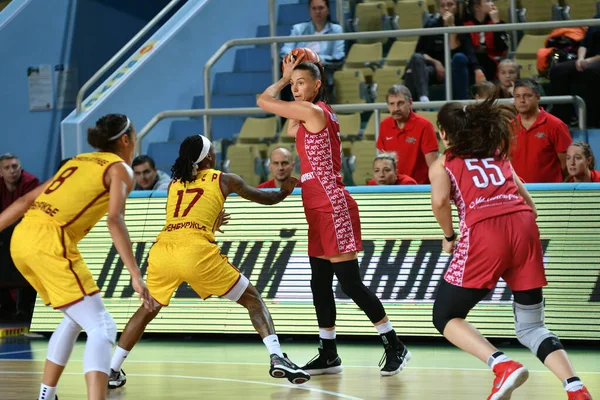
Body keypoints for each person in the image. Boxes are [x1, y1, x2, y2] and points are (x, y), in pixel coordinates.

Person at [108, 135, 310, 389]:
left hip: (163, 252)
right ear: (209, 157)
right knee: (252, 299)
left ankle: (112, 369)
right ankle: (277, 357)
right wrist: (284, 192)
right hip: (195, 252)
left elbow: (183, 220)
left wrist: (211, 224)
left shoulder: (174, 183)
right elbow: (266, 198)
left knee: (147, 310)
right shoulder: (225, 179)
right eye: (212, 149)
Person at [428, 95, 592, 400]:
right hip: (525, 226)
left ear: (444, 132)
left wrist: (449, 237)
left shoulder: (443, 163)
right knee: (531, 327)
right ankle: (575, 387)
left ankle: (501, 364)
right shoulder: (497, 153)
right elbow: (528, 201)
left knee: (445, 315)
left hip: (486, 232)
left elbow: (439, 202)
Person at [257, 57, 410, 377]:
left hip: (331, 205)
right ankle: (328, 353)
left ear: (317, 85)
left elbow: (263, 101)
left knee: (350, 283)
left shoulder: (314, 111)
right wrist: (293, 82)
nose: (296, 88)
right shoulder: (307, 113)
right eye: (294, 83)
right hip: (314, 207)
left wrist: (283, 80)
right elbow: (289, 126)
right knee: (319, 283)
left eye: (302, 83)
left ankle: (395, 344)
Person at [0, 114, 153, 400]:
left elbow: (24, 201)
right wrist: (134, 273)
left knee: (74, 318)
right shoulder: (120, 169)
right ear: (125, 140)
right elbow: (115, 220)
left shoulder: (76, 161)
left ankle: (47, 396)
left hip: (22, 239)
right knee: (102, 325)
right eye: (134, 136)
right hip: (50, 240)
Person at [403, 0, 486, 101]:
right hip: (435, 69)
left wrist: (451, 26)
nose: (446, 8)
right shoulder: (431, 25)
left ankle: (457, 104)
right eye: (442, 6)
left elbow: (458, 51)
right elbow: (419, 52)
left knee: (459, 57)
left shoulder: (462, 26)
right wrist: (436, 63)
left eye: (450, 5)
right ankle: (423, 100)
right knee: (413, 67)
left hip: (455, 69)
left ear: (456, 7)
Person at [0, 153, 40, 321]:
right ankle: (6, 306)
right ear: (1, 172)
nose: (12, 171)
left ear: (20, 168)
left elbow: (31, 212)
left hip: (27, 233)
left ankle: (26, 306)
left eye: (15, 166)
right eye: (7, 168)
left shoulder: (31, 183)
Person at [511, 79, 572, 183]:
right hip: (516, 192)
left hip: (549, 192)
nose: (522, 100)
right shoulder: (508, 127)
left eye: (527, 95)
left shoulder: (556, 125)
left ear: (538, 97)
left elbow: (567, 164)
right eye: (517, 96)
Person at [376, 85, 439, 184]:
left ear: (410, 102)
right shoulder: (384, 125)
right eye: (392, 104)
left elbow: (434, 166)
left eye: (400, 103)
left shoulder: (424, 126)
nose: (396, 108)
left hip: (419, 189)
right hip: (392, 189)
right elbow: (382, 163)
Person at [549, 14, 600, 128]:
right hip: (587, 59)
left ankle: (591, 122)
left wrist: (589, 61)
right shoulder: (597, 18)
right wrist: (581, 58)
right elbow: (584, 43)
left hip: (594, 61)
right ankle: (563, 118)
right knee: (559, 70)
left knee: (590, 72)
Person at [280, 0, 345, 66]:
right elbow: (285, 50)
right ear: (309, 11)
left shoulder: (336, 30)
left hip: (323, 70)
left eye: (321, 8)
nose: (317, 11)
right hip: (299, 68)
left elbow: (338, 57)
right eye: (314, 8)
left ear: (328, 10)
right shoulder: (298, 29)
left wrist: (312, 58)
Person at [463, 0, 510, 81]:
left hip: (493, 63)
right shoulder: (465, 25)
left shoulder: (498, 23)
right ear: (477, 7)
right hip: (473, 64)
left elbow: (502, 47)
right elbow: (468, 50)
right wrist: (477, 69)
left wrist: (496, 23)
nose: (492, 3)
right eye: (488, 1)